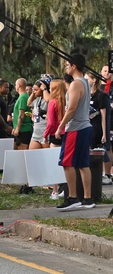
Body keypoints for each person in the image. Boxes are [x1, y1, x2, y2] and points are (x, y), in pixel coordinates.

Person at [54, 54, 95, 210]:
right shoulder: (85, 82)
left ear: (73, 66)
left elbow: (71, 108)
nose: (65, 67)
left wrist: (60, 127)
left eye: (67, 65)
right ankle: (88, 198)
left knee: (67, 162)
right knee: (83, 163)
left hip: (76, 128)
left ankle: (72, 197)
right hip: (85, 127)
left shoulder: (75, 84)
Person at [10, 78, 32, 150]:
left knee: (22, 150)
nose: (15, 86)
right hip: (20, 129)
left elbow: (21, 115)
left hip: (23, 129)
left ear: (19, 85)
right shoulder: (22, 97)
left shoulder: (23, 97)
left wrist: (18, 128)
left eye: (16, 84)